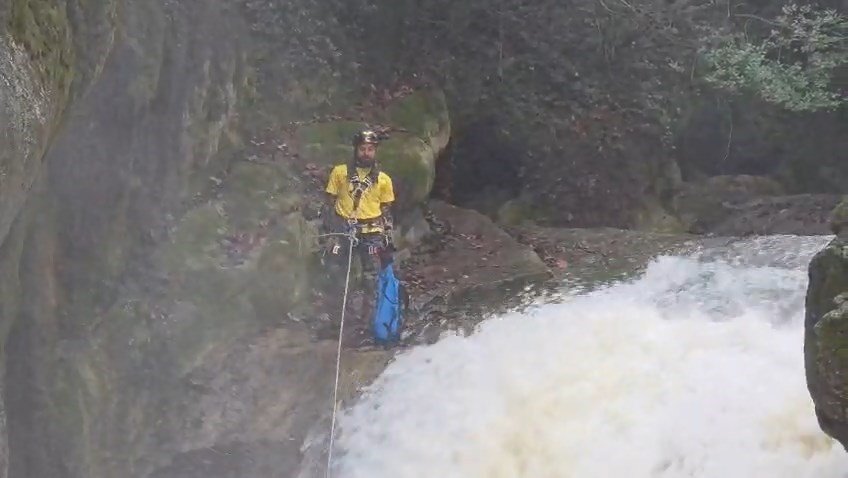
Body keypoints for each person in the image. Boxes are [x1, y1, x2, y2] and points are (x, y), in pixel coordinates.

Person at [322, 129, 396, 329]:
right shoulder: (340, 173)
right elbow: (329, 203)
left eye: (370, 149)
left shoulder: (383, 180)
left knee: (370, 278)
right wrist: (331, 232)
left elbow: (386, 210)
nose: (366, 153)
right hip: (343, 230)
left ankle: (368, 321)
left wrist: (387, 235)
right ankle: (337, 320)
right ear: (356, 150)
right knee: (336, 273)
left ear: (375, 151)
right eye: (362, 149)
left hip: (371, 233)